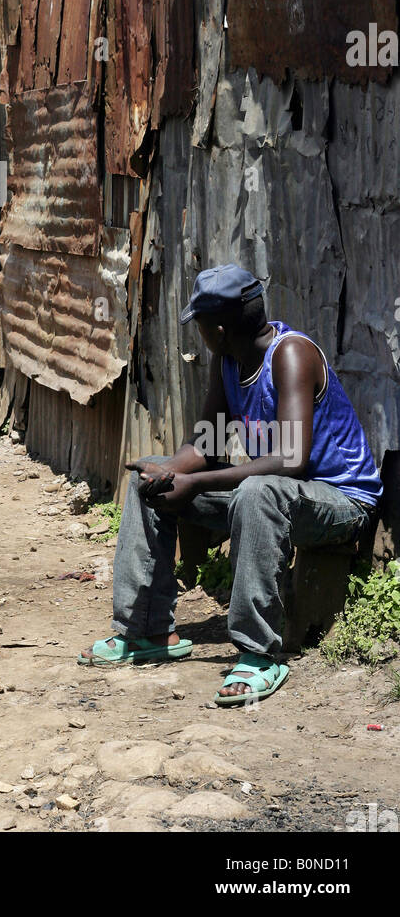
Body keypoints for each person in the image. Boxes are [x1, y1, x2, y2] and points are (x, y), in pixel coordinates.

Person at [78, 265, 382, 706]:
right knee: (151, 477)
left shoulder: (291, 354)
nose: (197, 333)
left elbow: (291, 461)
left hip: (340, 502)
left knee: (260, 490)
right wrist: (170, 474)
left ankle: (260, 654)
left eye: (199, 324)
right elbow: (206, 441)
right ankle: (147, 631)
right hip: (280, 497)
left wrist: (195, 481)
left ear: (218, 330)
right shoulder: (229, 362)